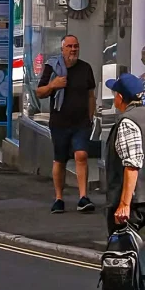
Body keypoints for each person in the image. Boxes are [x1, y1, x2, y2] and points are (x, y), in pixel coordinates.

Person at [99, 73, 145, 290]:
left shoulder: (128, 122)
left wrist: (124, 204)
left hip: (134, 201)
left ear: (120, 97)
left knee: (123, 253)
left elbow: (132, 164)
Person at [37, 33, 97, 213]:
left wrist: (90, 118)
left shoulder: (85, 68)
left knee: (81, 155)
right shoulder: (52, 68)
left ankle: (83, 197)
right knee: (60, 160)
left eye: (76, 46)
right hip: (60, 123)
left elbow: (90, 96)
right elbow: (40, 92)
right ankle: (59, 198)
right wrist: (53, 85)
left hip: (81, 123)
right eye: (69, 46)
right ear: (62, 49)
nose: (73, 49)